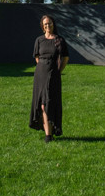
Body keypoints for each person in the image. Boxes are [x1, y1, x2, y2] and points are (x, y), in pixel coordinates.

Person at [29, 14, 69, 142]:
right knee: (41, 104)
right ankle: (48, 134)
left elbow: (65, 58)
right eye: (45, 24)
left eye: (50, 23)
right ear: (42, 26)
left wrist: (58, 71)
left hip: (53, 75)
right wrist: (43, 68)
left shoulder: (59, 40)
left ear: (53, 24)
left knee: (49, 103)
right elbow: (37, 57)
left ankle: (50, 132)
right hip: (40, 75)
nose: (48, 26)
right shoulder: (39, 40)